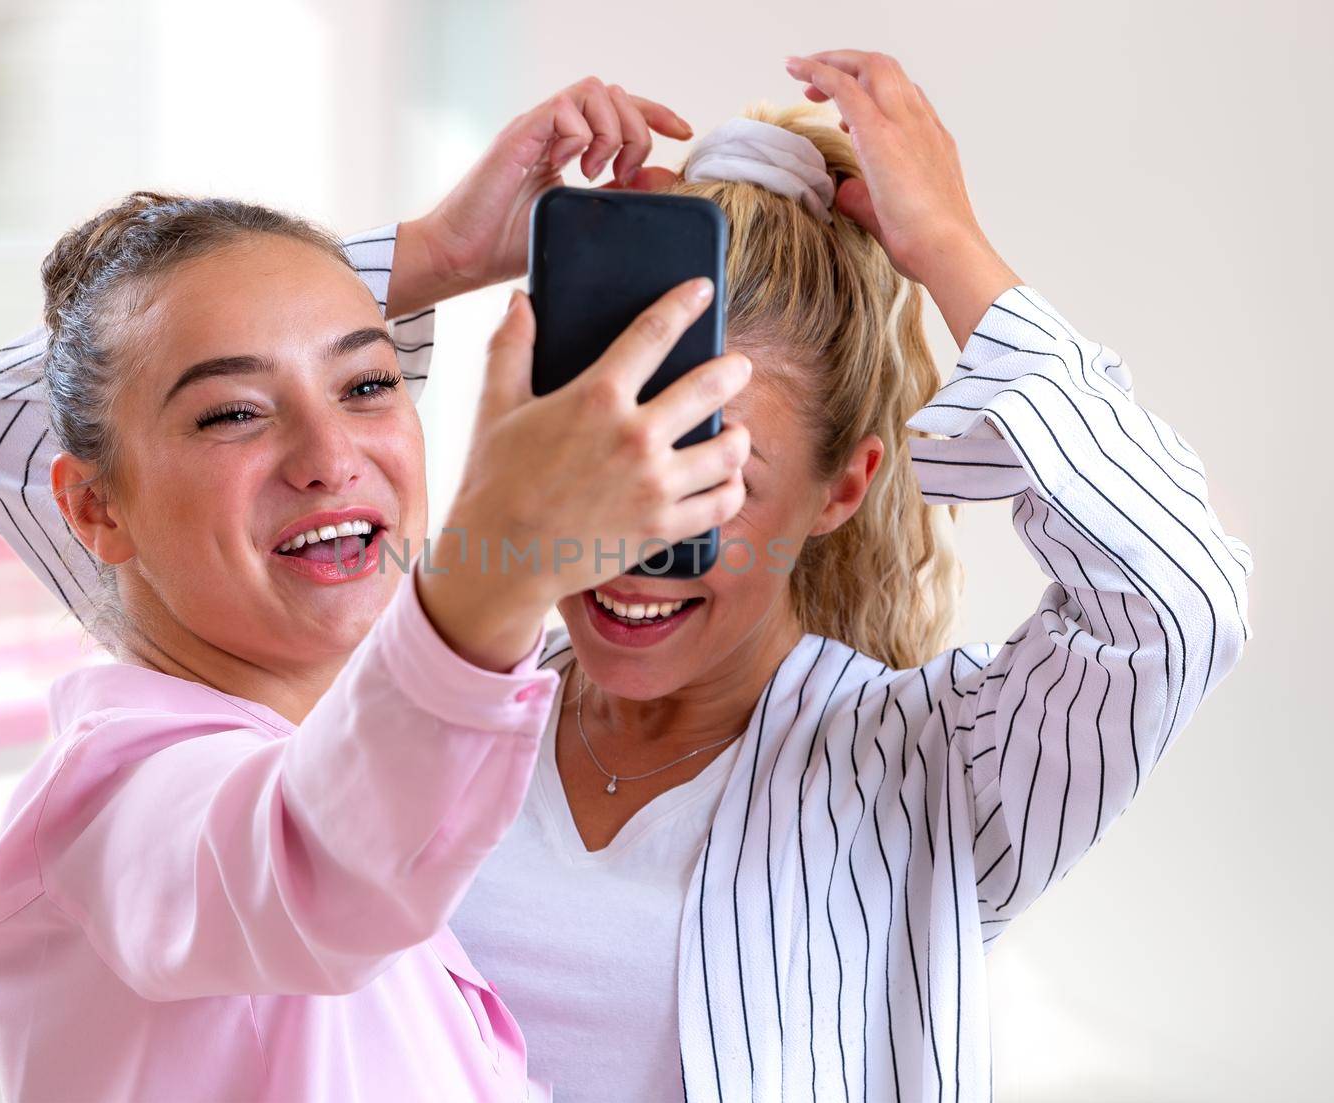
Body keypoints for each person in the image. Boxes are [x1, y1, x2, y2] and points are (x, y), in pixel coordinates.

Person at [449, 51, 1253, 1101]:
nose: (639, 535)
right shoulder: (437, 704)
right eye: (606, 449)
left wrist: (952, 251)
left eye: (718, 472)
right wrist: (438, 254)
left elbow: (1176, 595)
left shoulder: (928, 774)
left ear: (843, 486)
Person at [0, 82, 753, 1101]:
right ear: (96, 507)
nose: (328, 457)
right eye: (234, 412)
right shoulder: (114, 806)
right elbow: (310, 864)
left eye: (368, 384)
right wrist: (499, 563)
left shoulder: (334, 758)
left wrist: (445, 257)